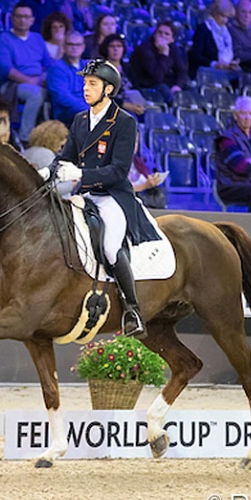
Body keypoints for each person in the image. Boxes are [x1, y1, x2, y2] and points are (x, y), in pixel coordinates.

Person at [46, 59, 160, 337]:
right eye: (85, 83)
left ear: (108, 89)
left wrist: (81, 176)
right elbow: (66, 158)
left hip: (112, 197)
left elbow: (119, 170)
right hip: (84, 195)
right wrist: (49, 172)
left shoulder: (124, 122)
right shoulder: (80, 120)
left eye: (92, 84)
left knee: (110, 246)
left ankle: (133, 310)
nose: (86, 88)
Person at [0, 2, 52, 144]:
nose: (23, 20)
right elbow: (4, 68)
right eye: (19, 16)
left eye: (26, 17)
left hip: (38, 81)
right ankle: (25, 137)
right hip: (12, 84)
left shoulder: (37, 38)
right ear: (12, 18)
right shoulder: (4, 38)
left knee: (59, 91)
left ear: (32, 20)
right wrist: (30, 81)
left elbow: (48, 65)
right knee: (36, 94)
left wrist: (42, 78)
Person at [130, 20, 189, 106]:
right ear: (154, 34)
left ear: (172, 39)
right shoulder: (145, 49)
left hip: (165, 83)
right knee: (163, 89)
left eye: (167, 34)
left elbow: (182, 71)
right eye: (160, 32)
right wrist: (164, 54)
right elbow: (157, 76)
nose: (162, 36)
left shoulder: (173, 48)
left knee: (190, 89)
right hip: (146, 85)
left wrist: (178, 86)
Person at [189, 0, 240, 78]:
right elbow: (196, 55)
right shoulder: (203, 29)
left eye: (227, 17)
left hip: (226, 71)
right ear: (215, 13)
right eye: (222, 16)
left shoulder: (227, 31)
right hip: (206, 72)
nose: (225, 20)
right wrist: (214, 64)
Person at [99, 34, 145, 118]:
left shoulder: (129, 68)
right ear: (106, 49)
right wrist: (126, 105)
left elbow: (136, 87)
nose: (116, 49)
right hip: (113, 107)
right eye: (112, 46)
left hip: (133, 103)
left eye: (119, 46)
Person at [46, 31, 87, 126]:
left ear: (83, 47)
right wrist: (89, 109)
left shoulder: (88, 66)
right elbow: (63, 97)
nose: (74, 47)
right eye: (70, 44)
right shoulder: (57, 68)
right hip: (66, 114)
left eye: (78, 44)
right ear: (64, 47)